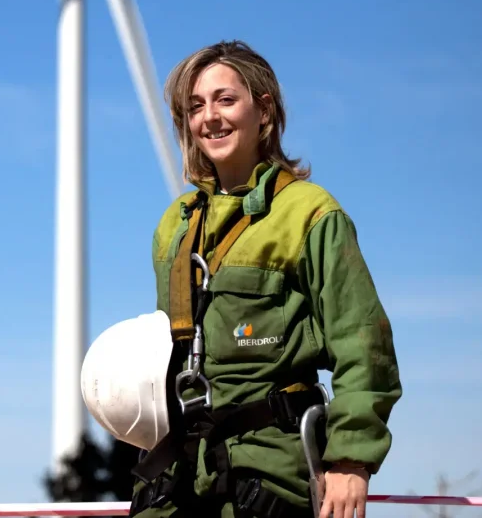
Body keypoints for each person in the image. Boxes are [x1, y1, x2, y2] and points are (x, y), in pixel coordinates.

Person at [128, 40, 402, 518]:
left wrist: (351, 461)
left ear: (264, 110)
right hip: (180, 476)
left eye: (225, 100)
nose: (209, 117)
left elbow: (363, 346)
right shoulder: (174, 225)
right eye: (195, 106)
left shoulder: (310, 212)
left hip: (269, 472)